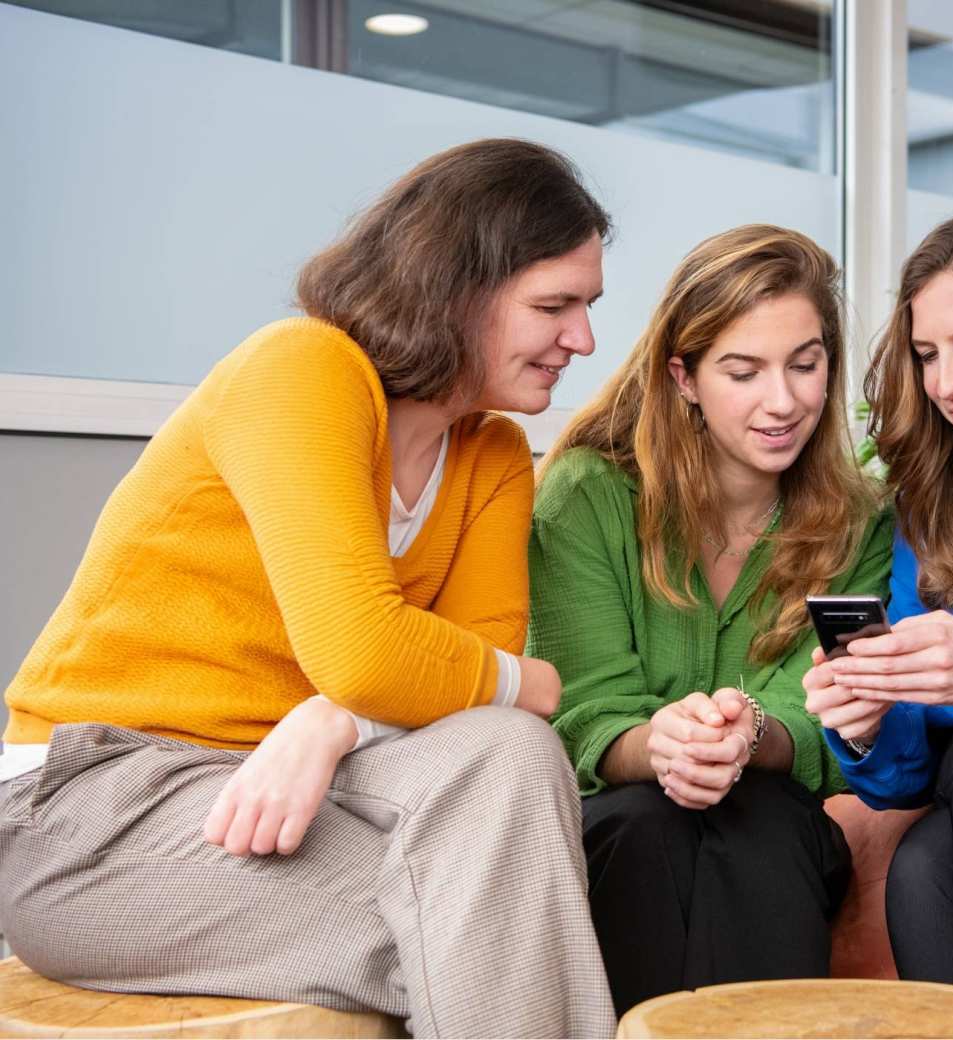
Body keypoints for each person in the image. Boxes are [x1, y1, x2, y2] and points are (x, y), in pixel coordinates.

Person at [0, 138, 617, 1039]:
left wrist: (334, 720)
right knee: (494, 912)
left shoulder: (490, 455)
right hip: (96, 811)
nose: (584, 340)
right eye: (553, 306)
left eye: (588, 306)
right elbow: (372, 653)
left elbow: (468, 702)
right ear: (454, 290)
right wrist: (522, 679)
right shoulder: (300, 368)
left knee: (509, 762)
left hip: (303, 789)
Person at [527, 224, 892, 1017]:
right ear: (683, 376)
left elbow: (830, 712)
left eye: (806, 363)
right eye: (743, 370)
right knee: (649, 823)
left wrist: (746, 735)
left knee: (759, 819)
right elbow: (583, 705)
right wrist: (662, 745)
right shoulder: (589, 493)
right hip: (622, 816)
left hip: (777, 824)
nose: (784, 400)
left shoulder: (863, 523)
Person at [804, 202, 953, 999]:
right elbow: (908, 783)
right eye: (928, 354)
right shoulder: (942, 497)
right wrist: (868, 723)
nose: (946, 383)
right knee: (923, 865)